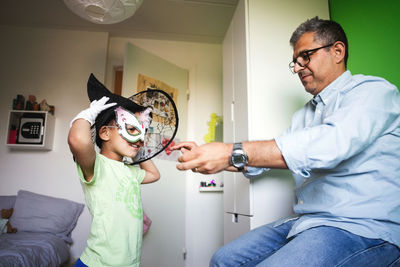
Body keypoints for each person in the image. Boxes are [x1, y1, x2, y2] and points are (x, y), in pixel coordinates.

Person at [172, 17, 400, 266]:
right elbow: (264, 160)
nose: (299, 67)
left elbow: (329, 145)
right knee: (223, 260)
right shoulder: (304, 115)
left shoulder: (373, 92)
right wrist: (207, 155)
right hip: (308, 220)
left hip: (361, 226)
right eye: (296, 62)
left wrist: (229, 151)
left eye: (306, 56)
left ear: (337, 51)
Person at [68, 76, 160, 267]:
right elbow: (78, 140)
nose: (139, 138)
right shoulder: (97, 166)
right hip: (98, 263)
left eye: (142, 132)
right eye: (131, 129)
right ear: (104, 133)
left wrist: (137, 146)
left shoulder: (130, 171)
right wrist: (88, 114)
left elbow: (154, 175)